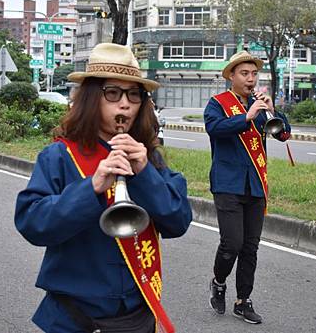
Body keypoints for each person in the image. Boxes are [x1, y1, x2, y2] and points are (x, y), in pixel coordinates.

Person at [15, 43, 192, 333]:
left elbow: (178, 221)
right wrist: (92, 187)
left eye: (134, 95)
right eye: (112, 93)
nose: (125, 104)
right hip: (72, 317)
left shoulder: (148, 157)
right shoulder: (60, 155)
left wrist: (145, 173)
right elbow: (31, 222)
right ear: (90, 98)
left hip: (136, 316)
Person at [205, 51, 291, 325]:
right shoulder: (217, 103)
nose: (250, 79)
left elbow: (283, 135)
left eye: (254, 74)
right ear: (231, 76)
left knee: (250, 248)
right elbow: (214, 128)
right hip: (227, 184)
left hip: (255, 185)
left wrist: (272, 111)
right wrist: (246, 117)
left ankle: (243, 301)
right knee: (232, 243)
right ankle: (219, 282)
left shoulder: (259, 105)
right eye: (244, 74)